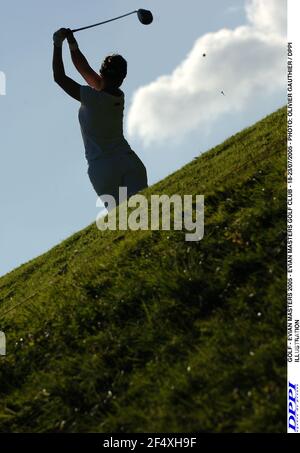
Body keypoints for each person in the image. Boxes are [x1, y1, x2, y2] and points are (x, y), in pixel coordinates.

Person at [52, 28, 148, 206]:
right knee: (145, 214)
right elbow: (84, 69)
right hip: (128, 162)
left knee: (126, 224)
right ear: (123, 77)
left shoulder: (92, 97)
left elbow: (60, 77)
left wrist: (58, 44)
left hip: (102, 169)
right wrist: (72, 43)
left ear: (101, 72)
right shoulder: (118, 96)